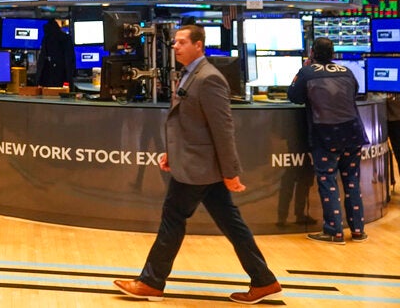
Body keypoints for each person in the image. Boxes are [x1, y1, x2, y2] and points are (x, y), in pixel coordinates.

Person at [114, 25, 281, 304]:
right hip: (197, 165)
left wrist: (231, 172)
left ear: (199, 46)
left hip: (199, 168)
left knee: (173, 218)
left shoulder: (209, 79)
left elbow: (223, 128)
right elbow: (187, 123)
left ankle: (151, 283)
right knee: (231, 223)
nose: (175, 47)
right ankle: (264, 280)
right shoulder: (190, 75)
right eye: (175, 43)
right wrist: (172, 153)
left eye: (181, 42)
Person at [286, 37, 368, 244]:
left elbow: (293, 96)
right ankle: (358, 230)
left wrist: (305, 69)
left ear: (312, 53)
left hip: (326, 134)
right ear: (333, 54)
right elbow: (355, 93)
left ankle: (334, 231)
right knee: (352, 181)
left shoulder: (307, 72)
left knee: (328, 182)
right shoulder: (347, 71)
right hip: (353, 132)